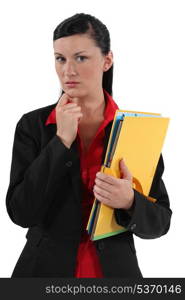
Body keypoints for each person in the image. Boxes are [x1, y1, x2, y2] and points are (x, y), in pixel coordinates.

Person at [6, 13, 172, 278]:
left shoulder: (137, 130)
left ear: (107, 60)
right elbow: (21, 213)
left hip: (115, 274)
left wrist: (129, 201)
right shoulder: (33, 125)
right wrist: (61, 142)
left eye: (80, 58)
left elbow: (161, 222)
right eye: (60, 58)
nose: (67, 70)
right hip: (44, 273)